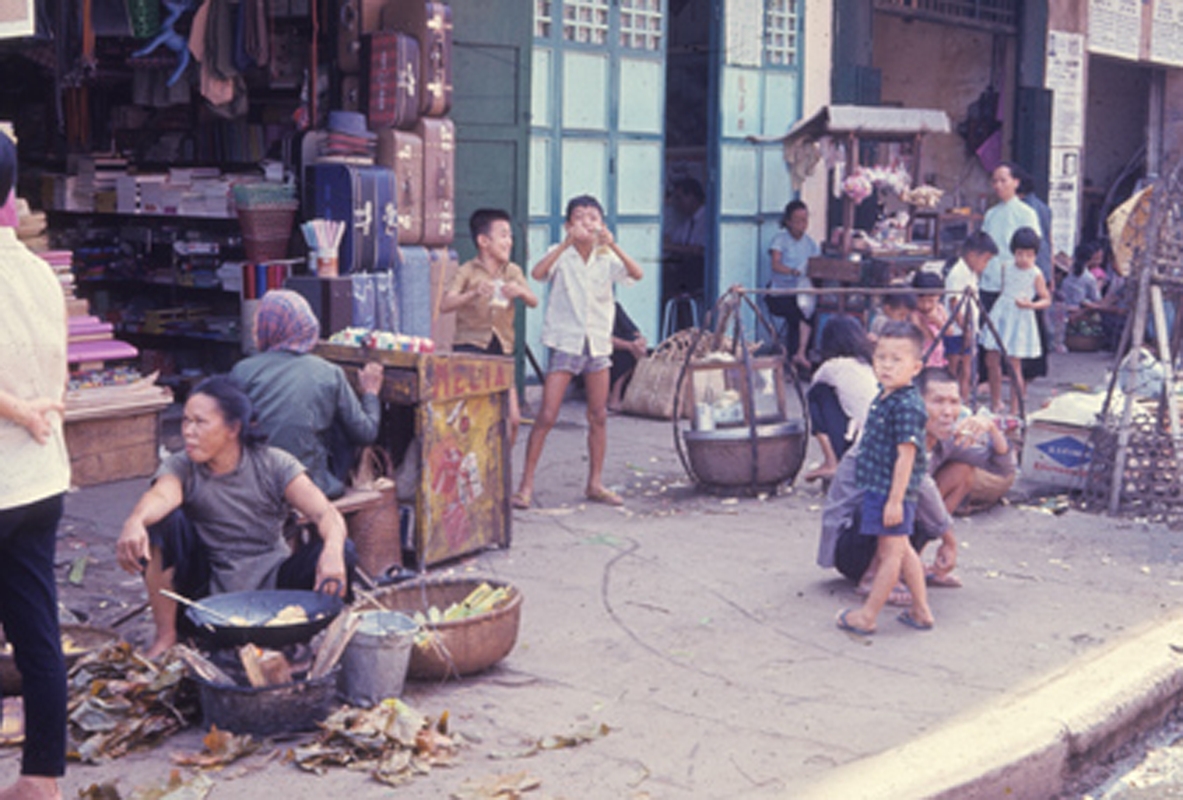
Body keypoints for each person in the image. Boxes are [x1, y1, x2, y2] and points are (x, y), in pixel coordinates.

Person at [116, 376, 354, 659]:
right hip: (205, 598)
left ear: (233, 428)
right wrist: (135, 521)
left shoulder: (273, 463)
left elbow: (326, 513)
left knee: (344, 550)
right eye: (185, 421)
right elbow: (163, 495)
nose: (188, 432)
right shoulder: (182, 465)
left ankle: (305, 636)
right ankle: (167, 635)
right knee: (163, 523)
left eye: (200, 422)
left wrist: (333, 551)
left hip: (275, 587)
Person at [819, 366, 1015, 605]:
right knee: (899, 489)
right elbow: (922, 486)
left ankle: (906, 567)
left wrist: (992, 428)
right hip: (853, 544)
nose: (948, 412)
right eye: (938, 402)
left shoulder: (946, 435)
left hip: (893, 532)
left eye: (954, 402)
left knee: (962, 472)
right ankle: (873, 577)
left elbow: (1003, 470)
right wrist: (949, 540)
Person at [0, 129, 70, 800]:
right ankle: (42, 777)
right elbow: (58, 371)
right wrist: (28, 411)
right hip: (41, 478)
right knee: (35, 632)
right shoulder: (39, 271)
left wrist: (15, 409)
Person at [512, 195, 644, 509]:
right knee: (546, 415)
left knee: (598, 416)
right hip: (566, 341)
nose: (587, 222)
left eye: (593, 217)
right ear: (569, 225)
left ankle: (595, 483)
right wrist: (564, 244)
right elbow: (538, 273)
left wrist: (613, 245)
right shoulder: (561, 254)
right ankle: (526, 485)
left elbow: (636, 274)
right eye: (580, 217)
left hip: (597, 342)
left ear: (602, 225)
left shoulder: (606, 257)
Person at [231, 289, 383, 500]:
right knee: (338, 422)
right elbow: (366, 433)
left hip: (255, 486)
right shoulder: (329, 372)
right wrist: (370, 394)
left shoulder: (242, 371)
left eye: (258, 322)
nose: (254, 329)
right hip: (312, 488)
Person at [833, 321, 933, 636]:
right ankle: (920, 610)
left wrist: (894, 500)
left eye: (896, 360)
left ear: (916, 367)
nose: (886, 366)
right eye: (881, 358)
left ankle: (868, 615)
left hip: (890, 491)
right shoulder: (887, 395)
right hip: (882, 488)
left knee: (890, 554)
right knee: (903, 550)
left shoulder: (906, 405)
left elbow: (907, 455)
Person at [440, 208, 539, 446]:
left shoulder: (512, 271)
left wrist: (520, 292)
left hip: (502, 349)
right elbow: (445, 304)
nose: (509, 241)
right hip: (470, 348)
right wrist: (473, 293)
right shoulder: (467, 270)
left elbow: (533, 301)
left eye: (510, 236)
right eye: (503, 235)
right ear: (483, 241)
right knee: (470, 419)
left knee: (512, 420)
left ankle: (500, 474)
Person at [980, 162, 1040, 406]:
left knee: (1013, 354)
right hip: (990, 280)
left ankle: (1016, 403)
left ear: (1016, 182)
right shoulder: (991, 214)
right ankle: (996, 401)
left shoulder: (1027, 213)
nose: (998, 185)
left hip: (1016, 286)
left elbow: (1034, 246)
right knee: (991, 351)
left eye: (1003, 180)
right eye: (995, 181)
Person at [981, 227, 1051, 414]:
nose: (1024, 259)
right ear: (1014, 252)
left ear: (1035, 255)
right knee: (991, 358)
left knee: (1014, 364)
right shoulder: (1006, 267)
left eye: (1029, 255)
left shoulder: (1035, 273)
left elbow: (1046, 299)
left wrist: (1031, 305)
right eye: (1020, 254)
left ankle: (1015, 408)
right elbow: (1004, 289)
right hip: (1002, 313)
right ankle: (996, 402)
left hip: (1021, 317)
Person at [801, 316, 877, 483]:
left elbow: (815, 382)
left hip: (857, 443)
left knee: (817, 394)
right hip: (876, 441)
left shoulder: (832, 366)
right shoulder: (869, 363)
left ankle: (831, 461)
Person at [944, 231, 999, 400]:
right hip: (957, 330)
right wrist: (965, 328)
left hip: (970, 328)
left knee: (968, 368)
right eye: (986, 260)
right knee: (954, 367)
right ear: (972, 255)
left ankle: (964, 400)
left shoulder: (971, 273)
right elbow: (954, 304)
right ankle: (951, 397)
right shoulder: (957, 273)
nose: (986, 265)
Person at [767, 200, 820, 372]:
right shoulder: (780, 240)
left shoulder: (810, 243)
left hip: (800, 293)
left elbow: (816, 265)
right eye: (797, 220)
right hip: (779, 293)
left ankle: (802, 356)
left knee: (812, 313)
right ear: (788, 221)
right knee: (796, 315)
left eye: (805, 220)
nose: (801, 225)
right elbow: (775, 265)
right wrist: (793, 272)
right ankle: (793, 359)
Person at [1017, 167, 1054, 382]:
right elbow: (1050, 238)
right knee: (1039, 319)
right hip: (1043, 266)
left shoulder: (1023, 210)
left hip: (1028, 269)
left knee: (1028, 319)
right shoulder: (1043, 207)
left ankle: (1028, 366)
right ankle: (1037, 365)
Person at [607, 302, 647, 413]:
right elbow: (600, 339)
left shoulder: (614, 306)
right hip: (601, 349)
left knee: (636, 345)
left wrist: (639, 342)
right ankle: (614, 399)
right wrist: (630, 346)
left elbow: (634, 331)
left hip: (624, 346)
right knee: (626, 354)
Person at [911, 270, 948, 367]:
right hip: (922, 357)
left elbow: (949, 331)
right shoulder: (914, 314)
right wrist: (924, 321)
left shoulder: (940, 309)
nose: (926, 305)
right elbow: (927, 337)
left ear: (939, 296)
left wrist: (937, 320)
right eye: (921, 301)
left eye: (931, 301)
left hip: (938, 357)